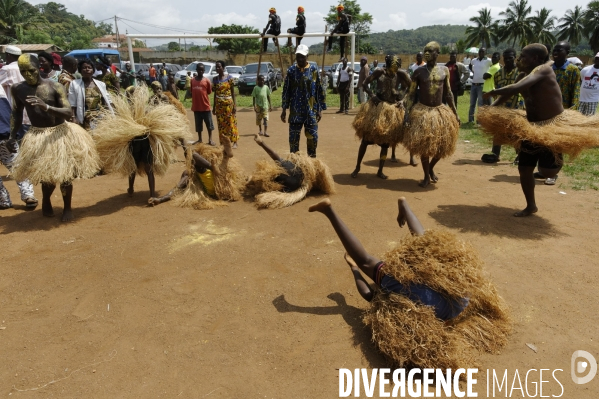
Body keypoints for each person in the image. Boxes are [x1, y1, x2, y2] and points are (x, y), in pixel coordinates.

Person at [308, 197, 510, 369]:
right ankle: (329, 211)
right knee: (365, 262)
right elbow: (368, 295)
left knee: (426, 247)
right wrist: (354, 268)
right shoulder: (402, 306)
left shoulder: (450, 307)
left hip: (458, 288)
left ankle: (405, 207)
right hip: (449, 297)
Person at [478, 44, 598, 216]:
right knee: (525, 168)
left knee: (548, 171)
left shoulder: (543, 70)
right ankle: (531, 205)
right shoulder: (523, 74)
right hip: (532, 127)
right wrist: (493, 107)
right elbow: (511, 92)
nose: (520, 59)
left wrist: (493, 91)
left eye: (524, 56)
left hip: (552, 125)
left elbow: (516, 88)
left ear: (534, 59)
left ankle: (556, 156)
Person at [10, 54, 100, 222]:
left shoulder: (55, 86)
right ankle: (46, 199)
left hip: (60, 134)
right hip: (38, 135)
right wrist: (11, 136)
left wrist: (47, 107)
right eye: (23, 72)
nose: (28, 75)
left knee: (65, 175)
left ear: (39, 68)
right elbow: (16, 113)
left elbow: (67, 113)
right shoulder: (18, 89)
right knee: (47, 176)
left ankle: (67, 208)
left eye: (31, 71)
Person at [93, 85, 188, 201]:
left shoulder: (134, 110)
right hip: (140, 142)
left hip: (139, 142)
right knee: (141, 168)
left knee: (134, 167)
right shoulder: (133, 111)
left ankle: (133, 189)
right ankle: (149, 193)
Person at [403, 41, 460, 188]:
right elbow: (410, 95)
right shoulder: (418, 72)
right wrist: (407, 114)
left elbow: (448, 93)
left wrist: (455, 112)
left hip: (440, 112)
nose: (427, 53)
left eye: (431, 50)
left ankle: (431, 169)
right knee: (424, 147)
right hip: (423, 112)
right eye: (425, 50)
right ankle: (426, 176)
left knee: (442, 147)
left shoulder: (444, 70)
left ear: (438, 53)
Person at [351, 54, 415, 180]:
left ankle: (380, 170)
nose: (395, 69)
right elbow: (365, 83)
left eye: (397, 67)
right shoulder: (380, 72)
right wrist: (372, 95)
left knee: (386, 142)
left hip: (391, 109)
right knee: (366, 140)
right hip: (377, 107)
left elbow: (411, 87)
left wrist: (402, 99)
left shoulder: (401, 74)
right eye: (393, 66)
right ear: (388, 64)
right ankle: (357, 166)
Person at [148, 135, 245, 209]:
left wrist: (161, 199)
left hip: (216, 183)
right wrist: (182, 142)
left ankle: (223, 157)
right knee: (194, 156)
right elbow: (189, 157)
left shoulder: (188, 176)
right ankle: (225, 156)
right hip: (215, 184)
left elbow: (175, 190)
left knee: (196, 158)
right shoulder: (188, 177)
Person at [534, 41, 581, 185]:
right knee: (543, 142)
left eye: (559, 50)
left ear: (567, 52)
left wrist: (570, 114)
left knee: (557, 145)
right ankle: (543, 170)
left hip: (562, 114)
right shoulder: (547, 69)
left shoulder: (573, 70)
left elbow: (576, 93)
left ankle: (553, 172)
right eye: (554, 50)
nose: (555, 52)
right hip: (545, 112)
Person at [247, 134, 335, 208]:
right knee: (270, 179)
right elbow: (275, 156)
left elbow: (274, 155)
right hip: (294, 184)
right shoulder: (296, 179)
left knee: (270, 178)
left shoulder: (289, 169)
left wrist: (261, 143)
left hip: (293, 181)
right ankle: (253, 180)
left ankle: (253, 180)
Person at [281, 44, 326, 157]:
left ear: (307, 56)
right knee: (293, 140)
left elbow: (319, 89)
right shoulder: (291, 70)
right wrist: (284, 109)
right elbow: (286, 90)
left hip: (310, 111)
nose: (300, 59)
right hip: (295, 111)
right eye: (298, 56)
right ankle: (295, 165)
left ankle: (311, 163)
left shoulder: (313, 70)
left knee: (312, 139)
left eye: (303, 56)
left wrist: (320, 109)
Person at [481, 48, 523, 163]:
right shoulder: (498, 74)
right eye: (506, 58)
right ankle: (495, 154)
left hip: (517, 108)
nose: (508, 60)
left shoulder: (521, 73)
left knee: (517, 132)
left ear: (515, 58)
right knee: (498, 130)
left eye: (510, 58)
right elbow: (498, 90)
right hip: (501, 108)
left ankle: (520, 155)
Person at [0, 83, 37, 209]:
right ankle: (27, 195)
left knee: (16, 165)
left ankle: (4, 199)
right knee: (16, 165)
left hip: (4, 134)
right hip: (5, 132)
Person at [68, 58, 113, 131]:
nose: (87, 69)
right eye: (84, 68)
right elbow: (72, 103)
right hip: (84, 118)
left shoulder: (101, 84)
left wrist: (110, 114)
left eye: (89, 67)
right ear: (80, 70)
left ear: (93, 70)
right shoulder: (74, 84)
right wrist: (73, 117)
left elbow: (107, 100)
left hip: (100, 118)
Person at [0, 45, 31, 140]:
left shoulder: (7, 69)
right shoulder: (28, 68)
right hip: (29, 114)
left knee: (14, 144)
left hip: (14, 113)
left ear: (8, 55)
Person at [212, 60, 239, 148]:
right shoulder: (215, 79)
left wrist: (234, 105)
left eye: (219, 67)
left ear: (223, 68)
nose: (217, 68)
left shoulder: (229, 78)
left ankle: (235, 142)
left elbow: (232, 92)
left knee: (231, 122)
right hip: (219, 106)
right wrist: (213, 107)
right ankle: (224, 142)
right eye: (216, 67)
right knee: (221, 125)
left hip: (228, 105)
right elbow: (215, 94)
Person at [191, 63, 215, 145]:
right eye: (199, 69)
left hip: (205, 107)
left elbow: (209, 92)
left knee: (209, 124)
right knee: (198, 125)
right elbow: (191, 91)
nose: (201, 71)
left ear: (204, 71)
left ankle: (210, 139)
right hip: (196, 107)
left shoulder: (206, 81)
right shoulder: (192, 80)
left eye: (202, 70)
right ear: (196, 70)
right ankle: (200, 139)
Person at [468, 48, 492, 123]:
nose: (481, 53)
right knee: (472, 103)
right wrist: (473, 71)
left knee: (480, 104)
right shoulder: (475, 60)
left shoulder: (488, 60)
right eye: (480, 51)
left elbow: (497, 66)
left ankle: (479, 121)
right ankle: (471, 120)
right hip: (474, 84)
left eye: (483, 52)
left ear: (485, 52)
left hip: (482, 85)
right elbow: (470, 65)